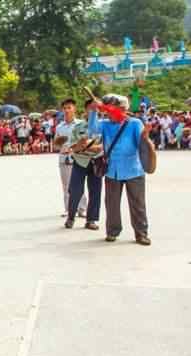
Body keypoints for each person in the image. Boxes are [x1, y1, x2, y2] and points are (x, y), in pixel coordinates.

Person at [88, 94, 151, 246]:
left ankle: (141, 233)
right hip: (112, 170)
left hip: (133, 170)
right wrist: (93, 111)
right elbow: (92, 130)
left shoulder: (135, 123)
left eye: (111, 109)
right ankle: (112, 231)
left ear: (122, 109)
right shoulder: (105, 124)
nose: (109, 113)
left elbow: (142, 145)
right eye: (107, 110)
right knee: (112, 203)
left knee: (138, 204)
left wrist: (145, 137)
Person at [63, 101, 103, 231]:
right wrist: (81, 146)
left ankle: (91, 220)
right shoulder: (78, 127)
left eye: (96, 108)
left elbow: (104, 147)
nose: (94, 111)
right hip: (80, 162)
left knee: (95, 191)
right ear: (86, 111)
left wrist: (87, 147)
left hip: (96, 162)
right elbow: (73, 147)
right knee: (75, 190)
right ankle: (71, 217)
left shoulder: (104, 126)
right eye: (91, 108)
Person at [55, 99, 87, 217]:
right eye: (65, 108)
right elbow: (56, 143)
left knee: (79, 184)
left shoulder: (80, 124)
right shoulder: (59, 127)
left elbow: (84, 140)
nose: (67, 110)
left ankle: (82, 208)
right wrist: (59, 147)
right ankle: (68, 209)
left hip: (78, 158)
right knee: (66, 185)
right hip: (64, 159)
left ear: (74, 109)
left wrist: (74, 148)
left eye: (69, 107)